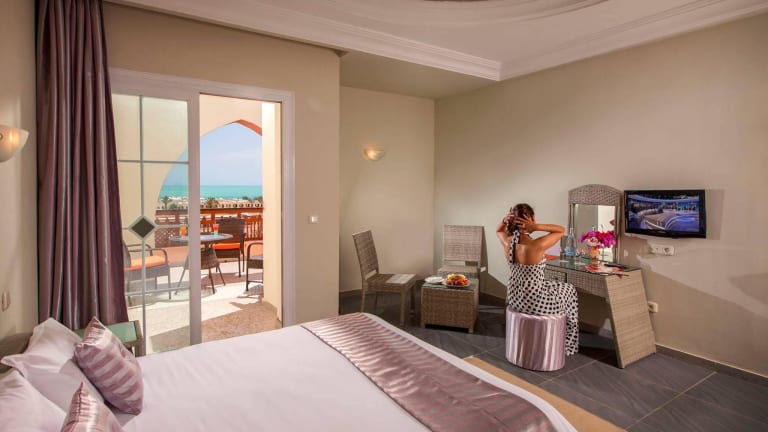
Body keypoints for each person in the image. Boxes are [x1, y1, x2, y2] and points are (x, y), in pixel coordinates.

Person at [496, 203, 579, 356]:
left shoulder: (507, 242)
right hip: (535, 301)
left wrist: (504, 220)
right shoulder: (537, 245)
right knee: (570, 289)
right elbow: (561, 230)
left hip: (515, 298)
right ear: (531, 219)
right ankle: (567, 344)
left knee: (555, 285)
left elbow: (498, 230)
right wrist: (536, 227)